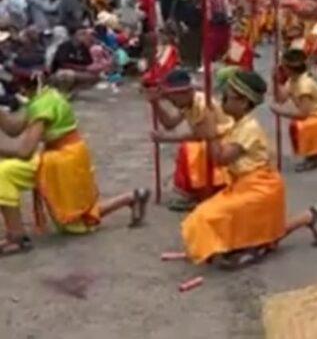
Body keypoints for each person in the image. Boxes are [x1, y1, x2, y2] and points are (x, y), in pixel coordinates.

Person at [0, 53, 149, 255]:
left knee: (75, 225)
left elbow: (25, 151)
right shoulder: (44, 95)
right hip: (65, 153)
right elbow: (13, 129)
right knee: (76, 222)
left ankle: (17, 237)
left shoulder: (42, 104)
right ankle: (130, 197)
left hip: (62, 158)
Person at [180, 70, 317, 268]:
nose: (222, 101)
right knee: (211, 216)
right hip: (245, 185)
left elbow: (221, 159)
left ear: (243, 103)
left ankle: (256, 247)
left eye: (227, 97)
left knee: (207, 217)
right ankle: (309, 216)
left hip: (259, 189)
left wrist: (211, 134)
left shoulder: (249, 128)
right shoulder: (236, 122)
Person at [148, 69, 233, 211]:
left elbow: (200, 135)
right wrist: (155, 105)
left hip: (224, 141)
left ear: (185, 93)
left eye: (173, 97)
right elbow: (170, 124)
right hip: (212, 140)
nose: (171, 101)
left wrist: (165, 139)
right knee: (189, 148)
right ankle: (196, 192)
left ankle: (203, 192)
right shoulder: (187, 103)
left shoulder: (201, 103)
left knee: (191, 149)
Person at [50, 26, 103, 95]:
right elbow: (63, 63)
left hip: (77, 72)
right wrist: (83, 68)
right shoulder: (65, 46)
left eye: (85, 34)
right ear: (74, 35)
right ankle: (61, 92)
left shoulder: (83, 47)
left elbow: (88, 62)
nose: (84, 36)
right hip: (60, 72)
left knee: (98, 76)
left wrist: (94, 68)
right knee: (67, 74)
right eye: (81, 34)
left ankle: (74, 90)